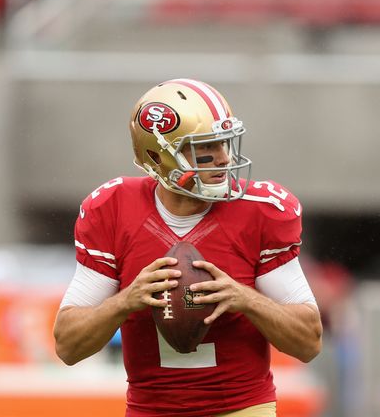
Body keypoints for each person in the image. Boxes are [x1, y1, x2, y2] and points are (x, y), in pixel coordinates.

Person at [53, 79, 323, 416]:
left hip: (242, 407)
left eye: (226, 143)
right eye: (206, 149)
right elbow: (67, 346)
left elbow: (309, 342)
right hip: (149, 409)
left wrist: (244, 298)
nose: (225, 159)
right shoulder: (113, 208)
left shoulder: (260, 210)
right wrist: (125, 301)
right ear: (159, 155)